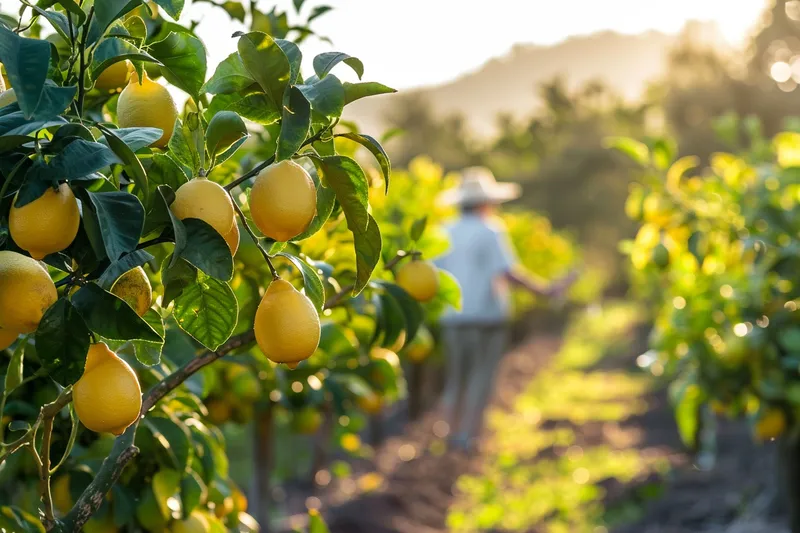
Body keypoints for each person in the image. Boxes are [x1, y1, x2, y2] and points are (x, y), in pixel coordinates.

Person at [434, 166, 577, 451]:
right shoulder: (491, 230)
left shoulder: (443, 232)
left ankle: (447, 436)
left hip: (452, 318)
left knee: (455, 379)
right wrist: (547, 290)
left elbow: (432, 277)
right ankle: (468, 439)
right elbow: (509, 272)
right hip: (487, 319)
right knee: (480, 378)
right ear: (486, 202)